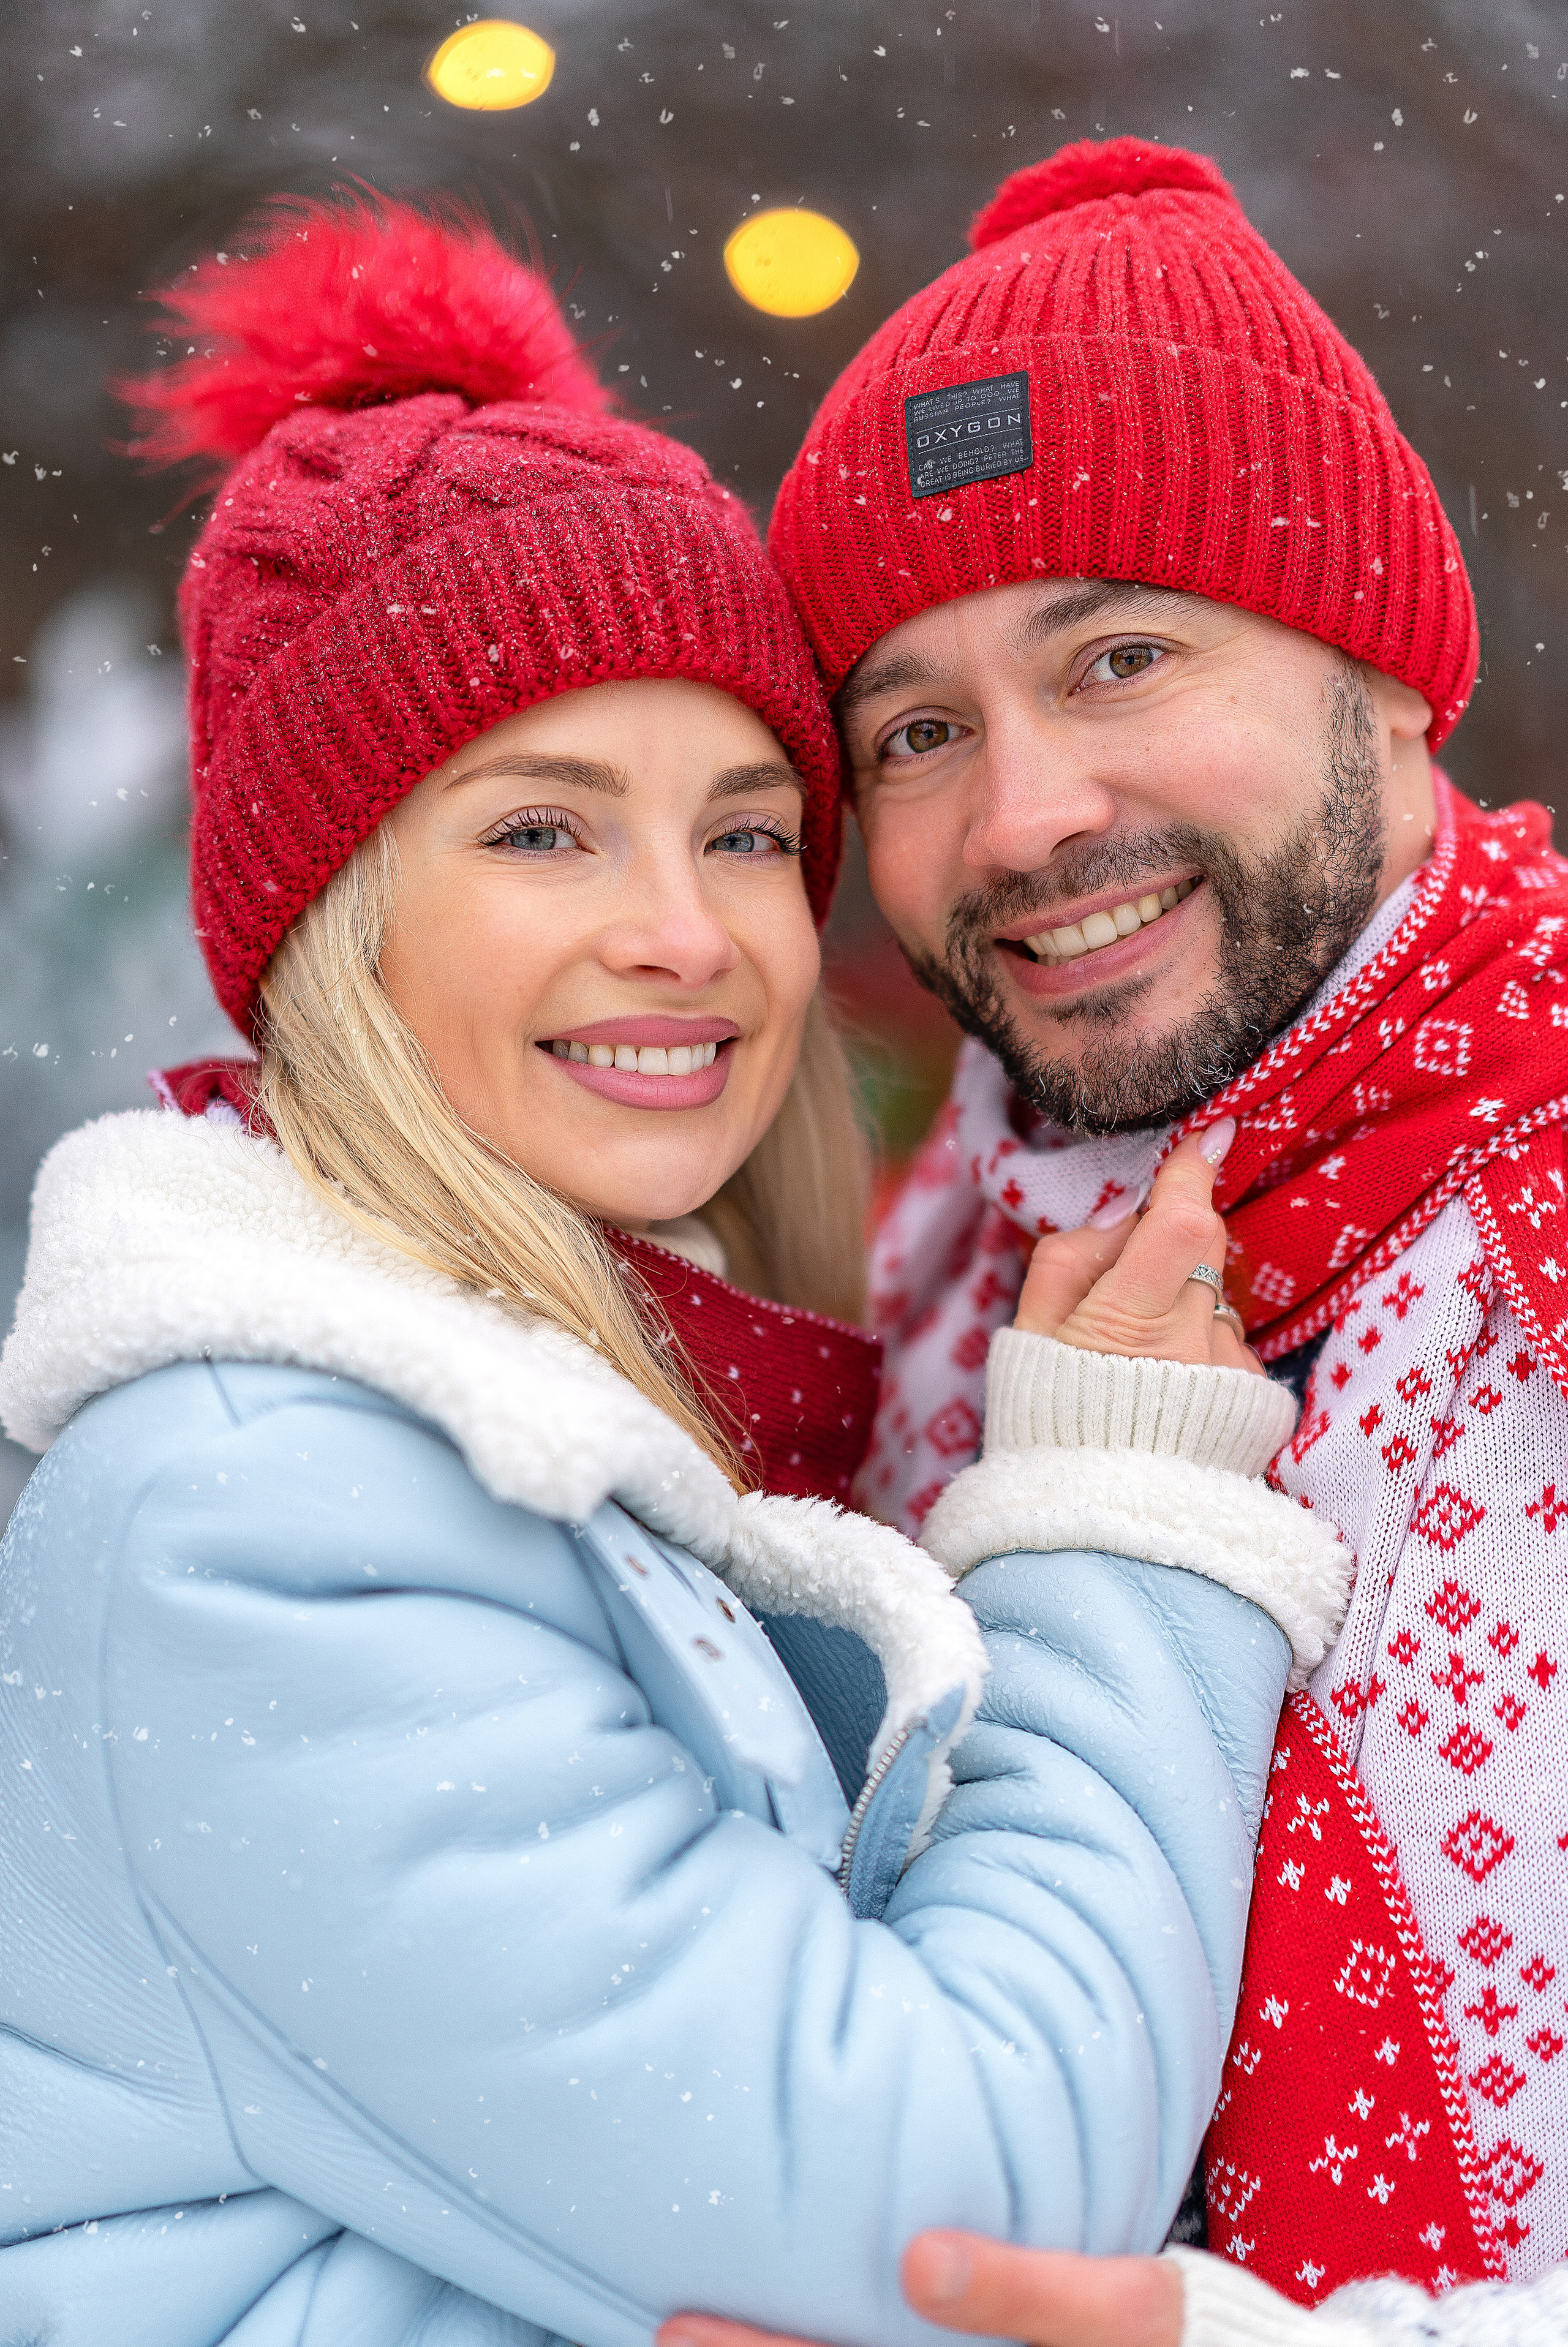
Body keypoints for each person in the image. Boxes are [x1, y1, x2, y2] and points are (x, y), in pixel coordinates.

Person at [0, 195, 1347, 2347]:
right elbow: (967, 2220)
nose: (688, 931)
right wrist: (1122, 1538)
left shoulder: (608, 1415)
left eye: (740, 827)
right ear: (336, 922)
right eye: (541, 829)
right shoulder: (256, 1518)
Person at [758, 134, 1568, 2338]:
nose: (1021, 820)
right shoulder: (945, 1266)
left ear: (1389, 684)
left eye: (1115, 657)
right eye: (916, 731)